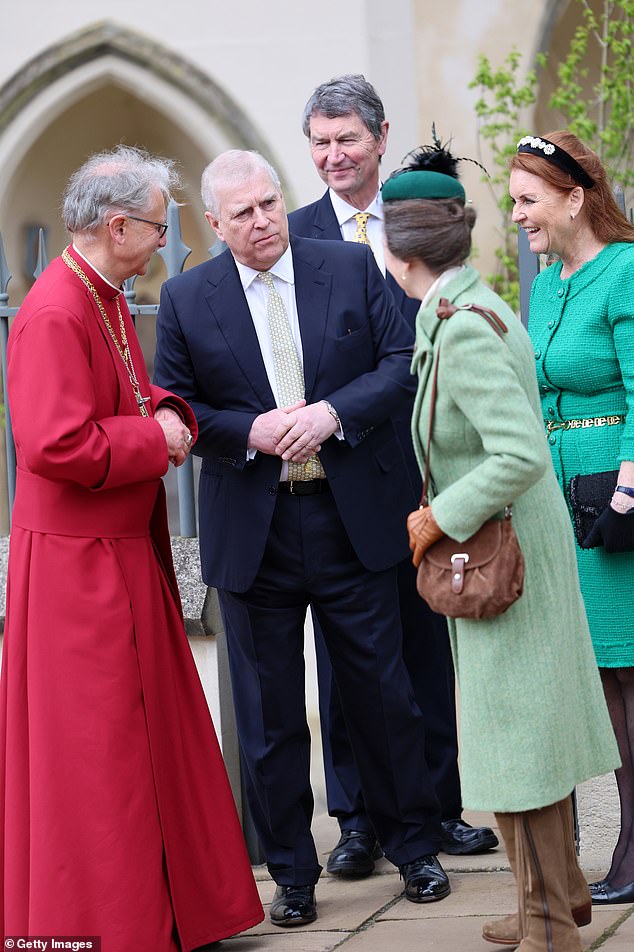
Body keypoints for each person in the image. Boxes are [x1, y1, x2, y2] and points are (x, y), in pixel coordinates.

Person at [154, 148, 452, 928]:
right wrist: (247, 431)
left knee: (382, 695)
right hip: (256, 530)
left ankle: (414, 849)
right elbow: (176, 406)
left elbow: (401, 363)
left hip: (350, 517)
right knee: (270, 716)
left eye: (269, 203)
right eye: (243, 213)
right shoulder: (186, 298)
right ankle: (291, 873)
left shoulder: (348, 267)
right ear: (214, 224)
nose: (263, 221)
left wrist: (332, 414)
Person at [0, 146, 263, 951]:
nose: (165, 242)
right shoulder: (55, 311)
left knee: (149, 737)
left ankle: (171, 913)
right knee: (100, 750)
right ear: (116, 227)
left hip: (115, 548)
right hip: (76, 568)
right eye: (156, 226)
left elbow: (123, 390)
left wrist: (167, 410)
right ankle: (109, 925)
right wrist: (158, 439)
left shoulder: (104, 293)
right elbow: (54, 442)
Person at [382, 141, 620, 952]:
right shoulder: (460, 308)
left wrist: (436, 516)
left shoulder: (465, 329)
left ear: (398, 252)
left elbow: (518, 454)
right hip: (503, 551)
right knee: (513, 735)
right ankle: (550, 896)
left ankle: (550, 923)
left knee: (520, 741)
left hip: (503, 558)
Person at [289, 73, 497, 878]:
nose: (333, 155)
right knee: (345, 660)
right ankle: (356, 823)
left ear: (380, 138)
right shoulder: (293, 235)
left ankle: (440, 808)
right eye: (320, 142)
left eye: (347, 139)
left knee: (425, 641)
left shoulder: (419, 221)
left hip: (421, 466)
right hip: (338, 477)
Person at [510, 130, 634, 908]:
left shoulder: (625, 270)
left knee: (627, 671)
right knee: (601, 676)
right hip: (560, 500)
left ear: (574, 198)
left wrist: (628, 494)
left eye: (528, 201)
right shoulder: (549, 283)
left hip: (613, 496)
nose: (518, 216)